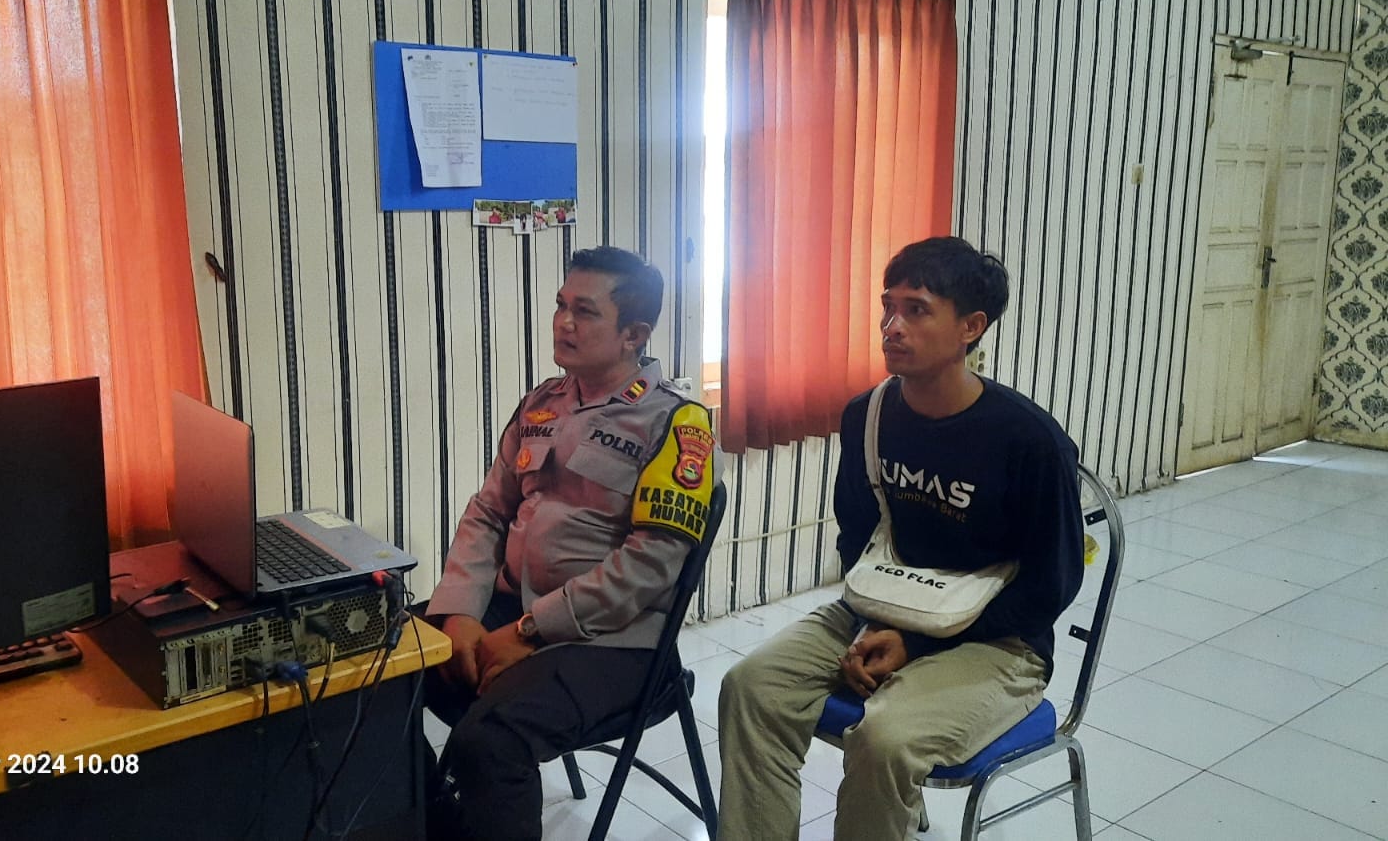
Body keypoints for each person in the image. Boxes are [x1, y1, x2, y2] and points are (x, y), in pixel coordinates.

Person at [716, 236, 1083, 841]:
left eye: (916, 310)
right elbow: (857, 536)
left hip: (1000, 641)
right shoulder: (868, 414)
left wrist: (915, 644)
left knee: (885, 738)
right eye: (888, 307)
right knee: (751, 688)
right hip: (882, 607)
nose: (891, 326)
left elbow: (1051, 585)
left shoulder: (1029, 442)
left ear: (970, 327)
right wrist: (875, 625)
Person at [423, 245, 719, 841]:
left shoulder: (674, 422)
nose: (563, 322)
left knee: (491, 741)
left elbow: (650, 567)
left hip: (615, 640)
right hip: (513, 606)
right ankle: (435, 822)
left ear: (634, 334)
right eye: (561, 305)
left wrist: (531, 630)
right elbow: (488, 512)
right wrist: (457, 613)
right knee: (382, 666)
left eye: (584, 312)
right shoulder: (543, 403)